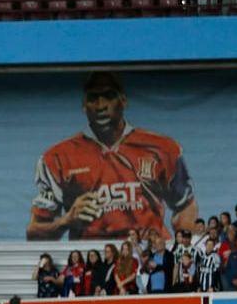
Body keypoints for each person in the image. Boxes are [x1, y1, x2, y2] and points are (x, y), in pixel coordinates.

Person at [27, 71, 196, 241]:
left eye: (109, 96)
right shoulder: (57, 158)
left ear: (123, 100)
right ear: (84, 105)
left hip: (147, 256)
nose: (101, 106)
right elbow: (34, 232)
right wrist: (66, 221)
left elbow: (186, 207)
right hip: (92, 259)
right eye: (93, 98)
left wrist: (182, 251)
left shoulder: (163, 148)